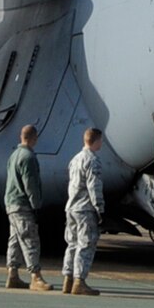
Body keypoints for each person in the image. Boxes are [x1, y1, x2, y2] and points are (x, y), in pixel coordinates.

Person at [4, 123, 53, 290]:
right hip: (23, 204)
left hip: (11, 203)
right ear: (34, 138)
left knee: (15, 240)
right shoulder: (29, 158)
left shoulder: (14, 155)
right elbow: (30, 184)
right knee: (30, 240)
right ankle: (35, 276)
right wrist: (36, 205)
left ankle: (12, 274)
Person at [62, 126, 106, 296]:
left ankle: (68, 279)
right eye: (100, 140)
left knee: (71, 244)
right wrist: (99, 208)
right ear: (95, 141)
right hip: (85, 208)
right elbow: (94, 186)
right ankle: (79, 280)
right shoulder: (92, 161)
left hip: (71, 207)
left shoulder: (75, 159)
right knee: (86, 244)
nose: (101, 143)